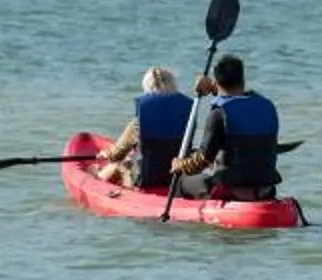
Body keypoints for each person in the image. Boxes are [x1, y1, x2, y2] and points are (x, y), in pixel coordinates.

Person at [172, 53, 279, 199]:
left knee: (182, 180)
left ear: (216, 81)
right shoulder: (267, 106)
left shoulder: (218, 114)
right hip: (266, 189)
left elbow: (202, 160)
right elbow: (240, 103)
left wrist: (180, 165)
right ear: (243, 79)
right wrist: (213, 89)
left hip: (231, 191)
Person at [96, 66, 195, 189]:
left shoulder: (138, 122)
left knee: (118, 165)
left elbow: (117, 154)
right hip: (178, 177)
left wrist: (107, 154)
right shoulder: (190, 113)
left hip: (147, 180)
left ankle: (96, 176)